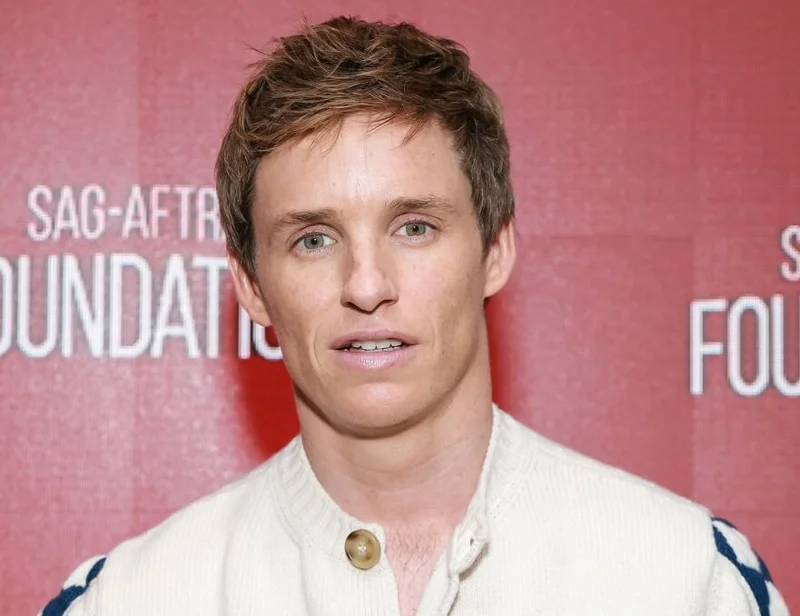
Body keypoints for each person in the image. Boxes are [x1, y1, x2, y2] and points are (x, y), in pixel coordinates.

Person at [42, 16, 789, 616]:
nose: (367, 285)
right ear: (252, 287)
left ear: (495, 250)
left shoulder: (685, 581)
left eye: (414, 227)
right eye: (313, 239)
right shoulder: (131, 599)